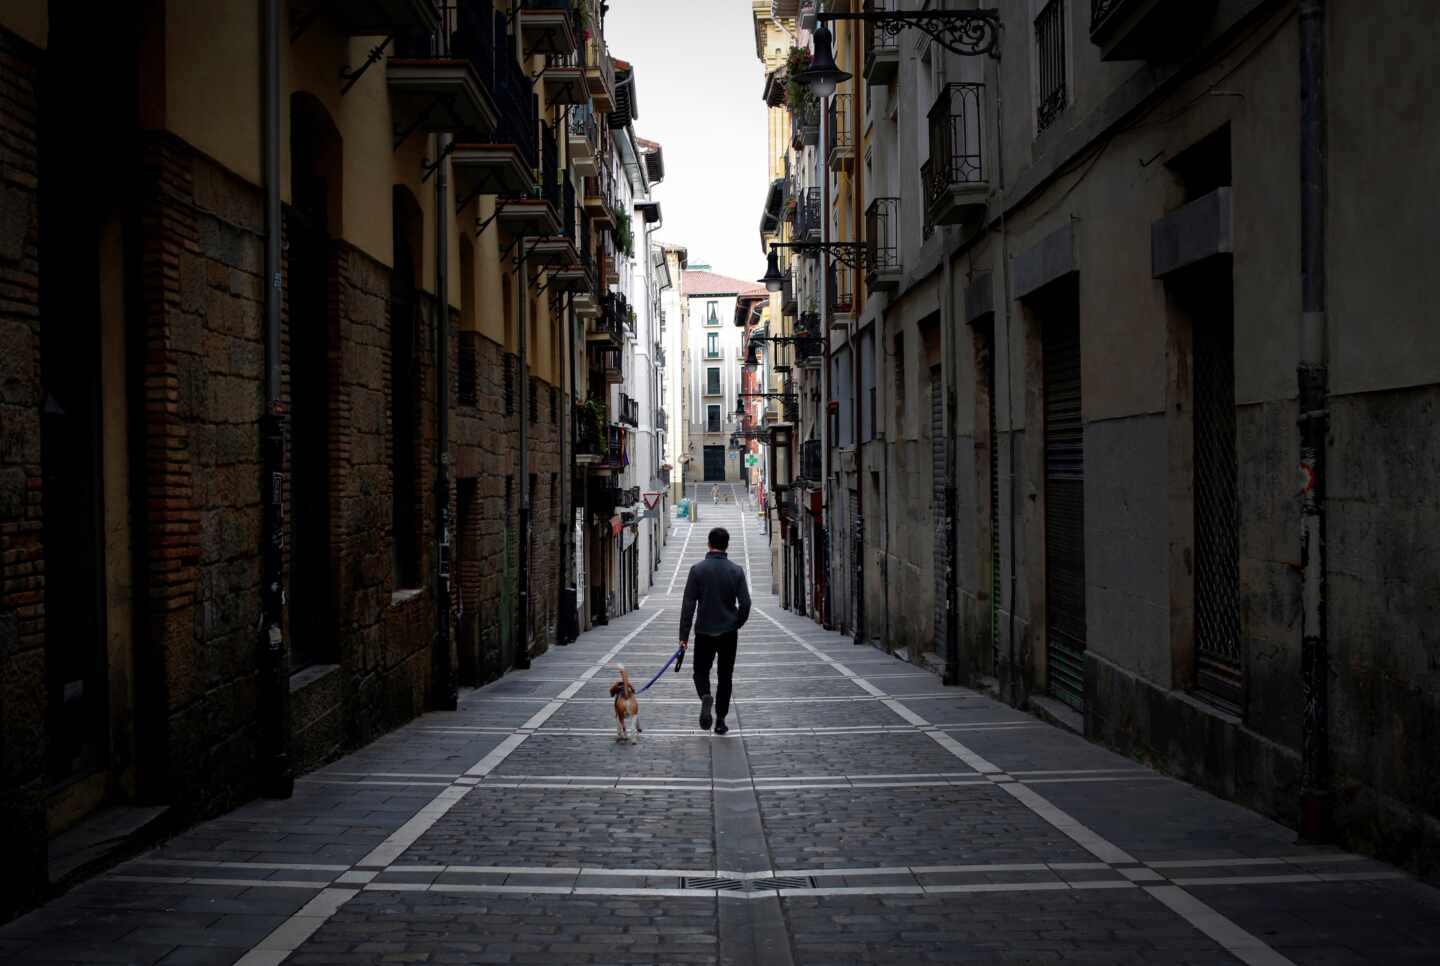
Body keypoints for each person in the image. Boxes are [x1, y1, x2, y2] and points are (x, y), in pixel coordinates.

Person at [678, 527, 751, 735]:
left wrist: (683, 638)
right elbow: (745, 603)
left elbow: (688, 606)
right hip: (728, 632)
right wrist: (737, 622)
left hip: (703, 632)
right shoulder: (736, 571)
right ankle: (720, 720)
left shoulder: (697, 570)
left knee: (700, 672)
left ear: (708, 544)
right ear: (727, 545)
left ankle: (705, 696)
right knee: (725, 676)